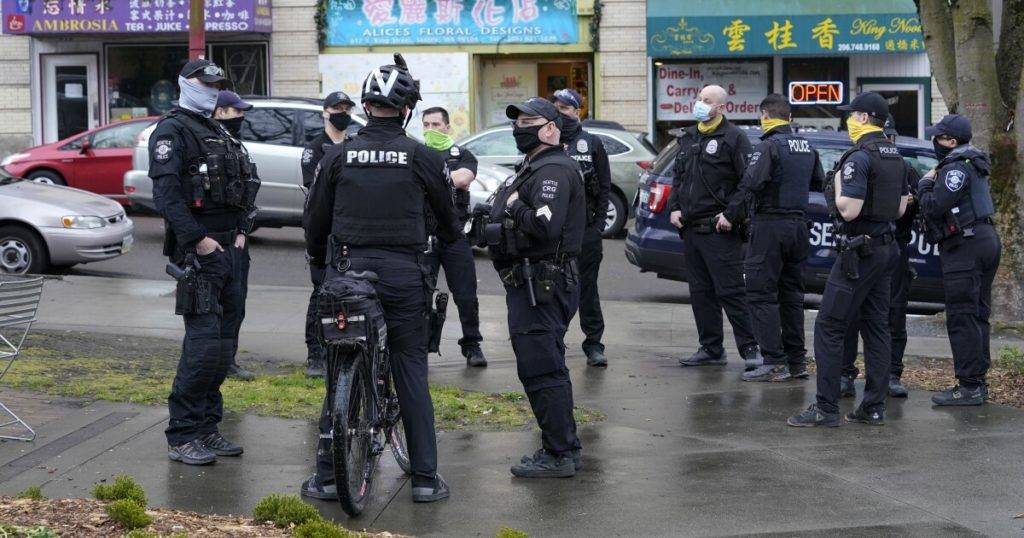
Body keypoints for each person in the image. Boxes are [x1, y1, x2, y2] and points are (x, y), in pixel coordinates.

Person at [303, 54, 454, 503]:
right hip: (405, 275)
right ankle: (425, 478)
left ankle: (329, 477)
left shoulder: (337, 155)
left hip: (347, 273)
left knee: (338, 368)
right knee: (410, 368)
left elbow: (315, 221)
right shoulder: (423, 156)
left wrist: (318, 261)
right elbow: (447, 220)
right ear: (407, 110)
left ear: (364, 108)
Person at [152, 59, 260, 464]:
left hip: (232, 251)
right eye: (205, 83)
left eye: (217, 84)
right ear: (185, 84)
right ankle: (182, 434)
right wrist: (198, 242)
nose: (212, 90)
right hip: (200, 254)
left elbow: (243, 186)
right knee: (201, 346)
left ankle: (207, 427)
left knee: (223, 347)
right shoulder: (172, 131)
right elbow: (166, 198)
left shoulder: (217, 130)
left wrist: (241, 232)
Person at [788, 92, 910, 428]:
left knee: (829, 326)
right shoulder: (895, 156)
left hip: (860, 252)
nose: (848, 120)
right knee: (876, 327)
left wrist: (839, 184)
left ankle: (826, 408)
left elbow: (849, 209)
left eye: (851, 114)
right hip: (886, 249)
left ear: (865, 118)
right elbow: (900, 209)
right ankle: (873, 407)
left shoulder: (859, 157)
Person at [485, 97, 585, 478]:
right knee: (546, 365)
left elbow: (545, 225)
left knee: (541, 367)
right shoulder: (533, 166)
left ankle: (558, 454)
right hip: (532, 282)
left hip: (543, 283)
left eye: (528, 121)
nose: (519, 128)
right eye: (517, 121)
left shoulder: (554, 170)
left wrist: (512, 208)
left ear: (550, 129)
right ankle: (565, 446)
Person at [724, 94, 823, 382]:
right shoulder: (806, 146)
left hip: (770, 226)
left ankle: (773, 360)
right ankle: (796, 362)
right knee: (792, 295)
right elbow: (817, 181)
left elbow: (751, 183)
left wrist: (730, 215)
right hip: (798, 227)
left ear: (765, 115)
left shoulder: (768, 146)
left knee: (760, 293)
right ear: (788, 117)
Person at [668, 85, 762, 369]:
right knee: (700, 293)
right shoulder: (688, 137)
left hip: (720, 230)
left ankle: (750, 350)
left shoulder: (734, 138)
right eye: (698, 99)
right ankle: (710, 348)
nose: (700, 104)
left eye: (707, 101)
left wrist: (732, 215)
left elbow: (748, 183)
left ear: (721, 107)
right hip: (691, 229)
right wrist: (674, 207)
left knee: (731, 291)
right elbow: (678, 176)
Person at [918, 114, 1000, 406]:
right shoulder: (973, 163)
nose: (935, 142)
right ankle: (976, 381)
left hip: (966, 244)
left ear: (951, 142)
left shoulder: (955, 168)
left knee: (963, 314)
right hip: (983, 238)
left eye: (938, 138)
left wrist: (925, 183)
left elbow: (933, 206)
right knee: (977, 313)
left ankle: (969, 387)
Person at [839, 114, 920, 398]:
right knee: (849, 315)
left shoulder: (904, 168)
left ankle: (890, 375)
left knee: (891, 314)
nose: (889, 144)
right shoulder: (859, 161)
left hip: (893, 247)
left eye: (892, 139)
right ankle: (844, 374)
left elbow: (913, 209)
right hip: (863, 245)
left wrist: (912, 201)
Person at [421, 106, 487, 367]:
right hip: (423, 235)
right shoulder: (418, 153)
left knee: (466, 295)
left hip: (454, 235)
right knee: (420, 295)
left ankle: (472, 345)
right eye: (426, 124)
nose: (431, 129)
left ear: (448, 127)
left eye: (436, 124)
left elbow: (462, 179)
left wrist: (429, 178)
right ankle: (421, 347)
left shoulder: (463, 155)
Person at [552, 88, 611, 368]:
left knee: (587, 289)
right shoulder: (547, 141)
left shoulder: (592, 143)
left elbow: (604, 187)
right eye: (556, 107)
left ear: (577, 112)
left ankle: (594, 345)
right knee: (553, 289)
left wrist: (598, 226)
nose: (560, 112)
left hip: (586, 231)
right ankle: (554, 341)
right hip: (554, 232)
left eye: (565, 108)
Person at [300, 91, 356, 378]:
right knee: (320, 292)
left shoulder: (354, 145)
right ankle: (316, 353)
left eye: (347, 107)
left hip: (350, 230)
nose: (342, 112)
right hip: (324, 231)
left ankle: (343, 346)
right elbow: (315, 190)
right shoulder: (315, 148)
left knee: (351, 292)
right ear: (325, 112)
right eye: (337, 107)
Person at [209, 90, 258, 382]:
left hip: (237, 239)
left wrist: (243, 231)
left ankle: (228, 360)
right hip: (216, 241)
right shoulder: (207, 144)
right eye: (236, 111)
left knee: (236, 305)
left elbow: (244, 192)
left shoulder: (235, 145)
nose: (242, 116)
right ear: (219, 112)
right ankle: (215, 360)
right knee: (216, 308)